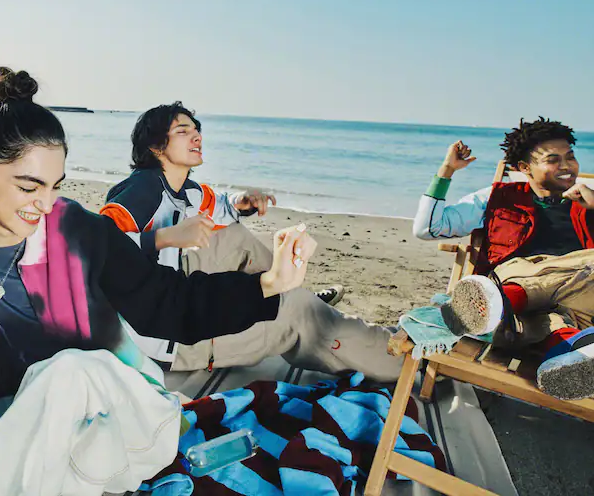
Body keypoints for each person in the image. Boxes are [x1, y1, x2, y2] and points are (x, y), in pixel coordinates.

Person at [0, 68, 324, 496]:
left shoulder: (76, 228)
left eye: (54, 186)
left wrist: (266, 283)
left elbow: (169, 305)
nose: (44, 204)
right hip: (25, 423)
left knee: (67, 372)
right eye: (29, 186)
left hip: (124, 423)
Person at [102, 102, 399, 380]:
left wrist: (240, 203)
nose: (197, 137)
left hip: (171, 277)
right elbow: (102, 250)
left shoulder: (185, 189)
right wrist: (163, 237)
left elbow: (218, 206)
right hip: (164, 339)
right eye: (183, 131)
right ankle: (398, 357)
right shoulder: (140, 192)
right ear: (156, 146)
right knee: (300, 312)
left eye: (196, 130)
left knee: (234, 236)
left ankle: (285, 290)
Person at [413, 117, 594, 400]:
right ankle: (497, 303)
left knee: (554, 320)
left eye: (570, 157)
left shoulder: (588, 202)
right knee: (536, 277)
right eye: (553, 160)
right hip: (510, 283)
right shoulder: (497, 198)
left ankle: (571, 356)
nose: (566, 166)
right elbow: (428, 228)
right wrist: (447, 170)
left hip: (534, 314)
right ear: (524, 168)